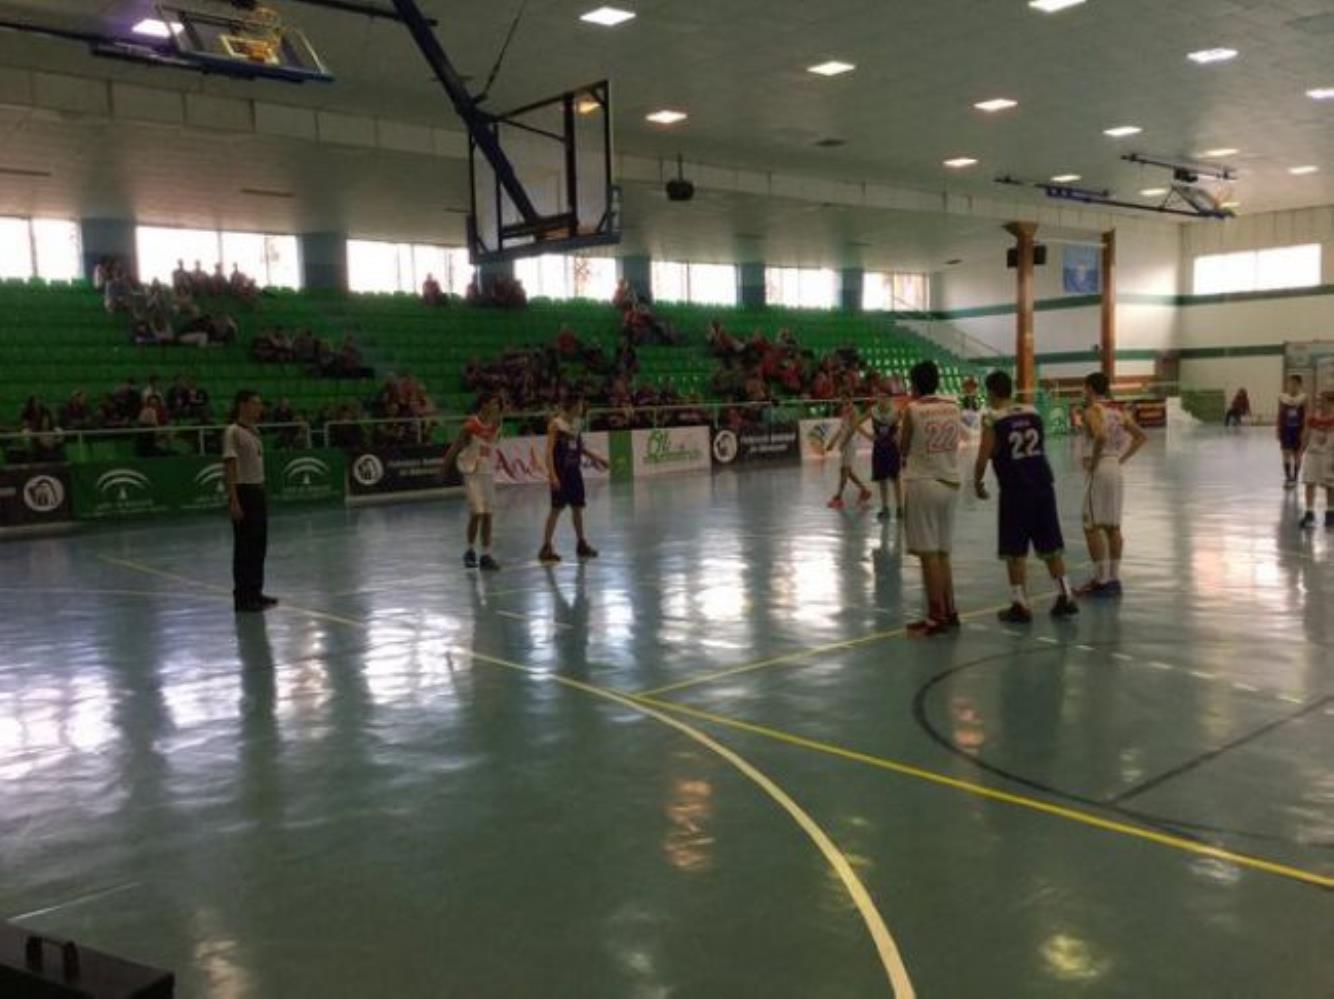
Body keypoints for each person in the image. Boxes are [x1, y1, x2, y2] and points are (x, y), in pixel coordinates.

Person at [973, 370, 1079, 623]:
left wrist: (977, 482)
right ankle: (1066, 594)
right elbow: (1039, 445)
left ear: (991, 392)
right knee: (1051, 545)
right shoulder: (1032, 412)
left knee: (1014, 549)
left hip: (1016, 489)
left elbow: (983, 455)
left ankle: (1020, 603)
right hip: (1042, 484)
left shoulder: (992, 419)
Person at [900, 361, 963, 636]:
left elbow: (902, 447)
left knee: (928, 556)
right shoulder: (954, 406)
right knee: (943, 552)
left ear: (913, 384)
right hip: (950, 481)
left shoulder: (912, 410)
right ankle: (950, 611)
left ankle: (935, 615)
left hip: (923, 482)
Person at [1076, 371, 1147, 597]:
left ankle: (1100, 580)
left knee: (1091, 525)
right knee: (1113, 527)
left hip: (1100, 470)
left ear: (1088, 388)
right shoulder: (1117, 412)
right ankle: (1114, 579)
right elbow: (1141, 437)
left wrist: (1095, 461)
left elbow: (1101, 436)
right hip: (1115, 468)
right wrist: (1122, 458)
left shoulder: (1091, 411)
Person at [224, 390, 276, 613]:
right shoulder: (233, 432)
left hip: (257, 490)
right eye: (256, 403)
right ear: (242, 405)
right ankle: (243, 597)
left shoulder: (254, 432)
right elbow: (230, 467)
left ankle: (256, 591)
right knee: (244, 547)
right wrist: (234, 499)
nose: (259, 408)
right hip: (244, 491)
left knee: (258, 545)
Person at [540, 395, 608, 563]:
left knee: (577, 508)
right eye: (580, 405)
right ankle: (546, 547)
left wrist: (598, 458)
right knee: (556, 509)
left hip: (574, 472)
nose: (582, 408)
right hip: (560, 472)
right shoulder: (555, 424)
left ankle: (581, 544)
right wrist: (552, 475)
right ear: (572, 406)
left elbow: (580, 448)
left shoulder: (577, 423)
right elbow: (548, 452)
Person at [443, 394, 504, 570]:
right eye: (493, 402)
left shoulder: (496, 424)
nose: (496, 406)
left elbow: (494, 441)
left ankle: (486, 554)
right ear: (484, 404)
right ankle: (469, 550)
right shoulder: (471, 426)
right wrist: (444, 467)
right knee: (477, 513)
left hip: (487, 473)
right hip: (472, 474)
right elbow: (455, 446)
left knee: (488, 515)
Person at [824, 396, 873, 509]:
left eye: (844, 399)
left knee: (844, 470)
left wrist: (844, 442)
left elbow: (854, 428)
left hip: (850, 443)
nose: (842, 401)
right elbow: (842, 428)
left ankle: (839, 497)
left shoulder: (853, 411)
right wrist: (833, 441)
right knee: (847, 471)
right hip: (846, 443)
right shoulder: (845, 410)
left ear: (849, 399)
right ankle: (864, 491)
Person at [862, 390, 903, 520]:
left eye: (884, 397)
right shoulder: (872, 411)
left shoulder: (896, 411)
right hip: (879, 448)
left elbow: (906, 423)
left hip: (892, 448)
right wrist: (868, 436)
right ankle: (885, 508)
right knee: (882, 479)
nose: (881, 400)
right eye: (879, 397)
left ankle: (900, 508)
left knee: (895, 479)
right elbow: (856, 422)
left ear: (889, 399)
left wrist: (899, 434)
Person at [1299, 390, 1334, 530]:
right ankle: (1309, 513)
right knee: (1309, 482)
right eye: (1318, 400)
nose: (1319, 403)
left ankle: (1330, 514)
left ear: (1331, 402)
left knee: (1330, 485)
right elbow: (1306, 435)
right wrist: (1300, 452)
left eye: (1323, 400)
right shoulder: (1311, 418)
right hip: (1313, 454)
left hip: (1329, 454)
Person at [1277, 375, 1307, 489]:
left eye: (1294, 384)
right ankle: (1288, 477)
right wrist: (1278, 429)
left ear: (1299, 385)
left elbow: (1306, 415)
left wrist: (1305, 430)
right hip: (1286, 429)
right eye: (1290, 383)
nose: (1291, 386)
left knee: (1297, 455)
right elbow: (1280, 413)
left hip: (1298, 429)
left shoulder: (1304, 397)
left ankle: (1295, 477)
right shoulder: (1282, 397)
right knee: (1285, 453)